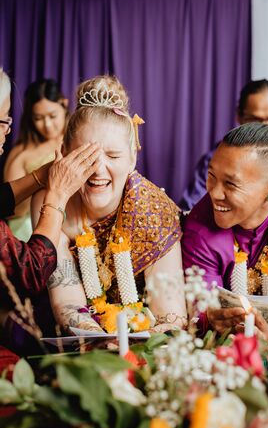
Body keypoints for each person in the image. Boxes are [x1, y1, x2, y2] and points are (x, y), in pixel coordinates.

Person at [32, 75, 187, 335]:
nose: (98, 170)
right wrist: (99, 342)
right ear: (64, 153)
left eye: (113, 156)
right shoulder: (50, 202)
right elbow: (67, 302)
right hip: (70, 340)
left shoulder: (157, 211)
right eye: (86, 156)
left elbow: (171, 318)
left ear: (132, 158)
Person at [0, 67, 101, 353]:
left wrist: (41, 177)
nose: (6, 131)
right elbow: (31, 271)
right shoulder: (21, 154)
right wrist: (56, 194)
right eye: (2, 121)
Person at [182, 122, 268, 348]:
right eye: (211, 176)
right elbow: (201, 302)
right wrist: (210, 317)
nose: (214, 193)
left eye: (231, 184)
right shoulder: (200, 224)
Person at [180, 79, 268, 211]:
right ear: (239, 115)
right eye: (255, 119)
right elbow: (191, 209)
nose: (265, 128)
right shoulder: (217, 158)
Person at [4, 79, 69, 241]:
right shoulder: (22, 153)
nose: (47, 125)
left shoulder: (75, 139)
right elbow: (12, 209)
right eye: (38, 118)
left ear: (64, 104)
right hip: (30, 225)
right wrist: (40, 182)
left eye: (52, 116)